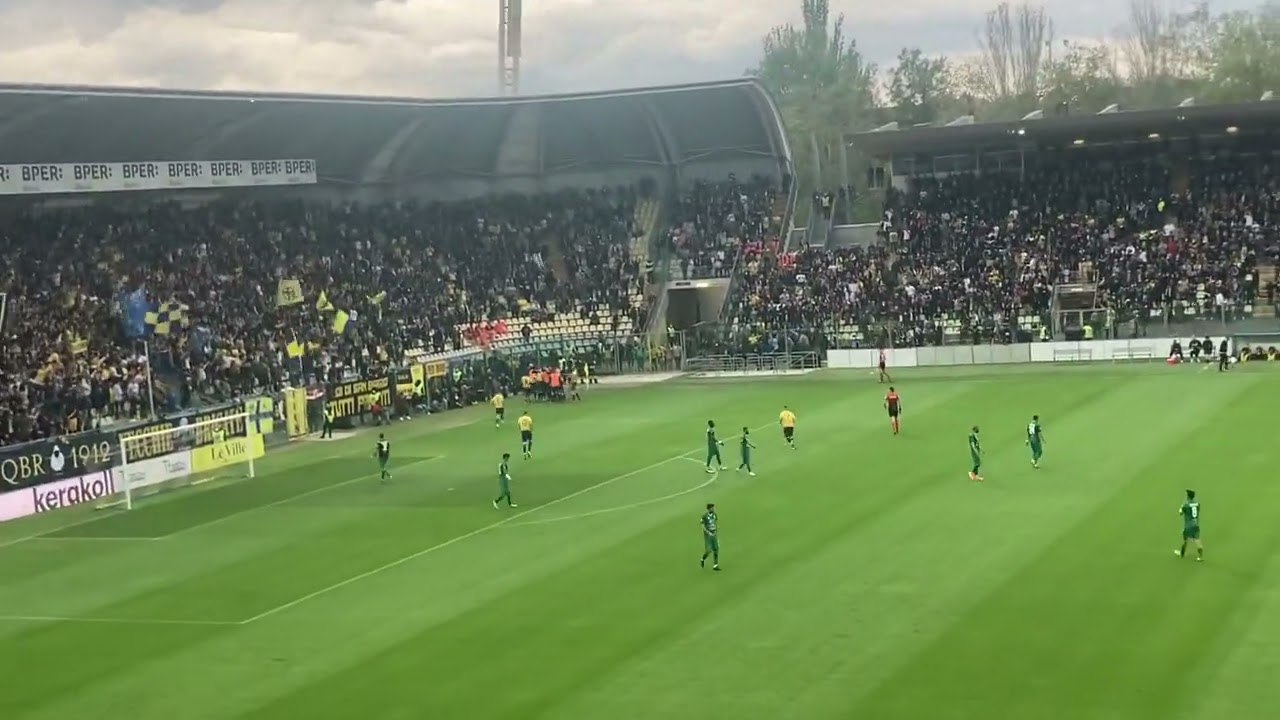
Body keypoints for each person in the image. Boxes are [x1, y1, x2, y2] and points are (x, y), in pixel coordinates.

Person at [1177, 489, 1202, 561]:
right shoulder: (1197, 504)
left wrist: (1181, 507)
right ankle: (1200, 557)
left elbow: (1180, 513)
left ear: (1188, 496)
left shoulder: (1186, 505)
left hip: (1188, 526)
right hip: (1196, 524)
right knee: (1197, 540)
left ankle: (1182, 554)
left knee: (1185, 541)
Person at [700, 502, 721, 570]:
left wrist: (716, 530)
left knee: (716, 549)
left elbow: (716, 523)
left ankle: (715, 565)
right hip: (708, 535)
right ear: (709, 509)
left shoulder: (714, 515)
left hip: (714, 534)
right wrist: (707, 532)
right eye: (712, 508)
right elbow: (702, 525)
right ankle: (703, 559)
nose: (713, 509)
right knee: (708, 551)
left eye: (713, 507)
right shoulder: (704, 516)